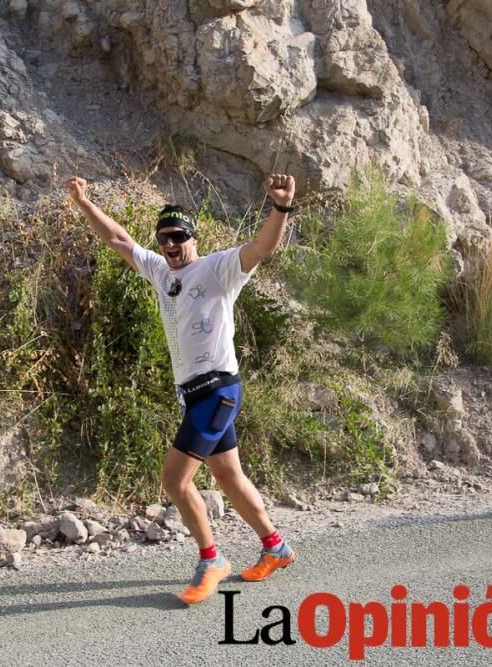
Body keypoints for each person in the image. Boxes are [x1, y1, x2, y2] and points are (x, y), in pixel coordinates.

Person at [66, 174, 298, 604]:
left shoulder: (217, 269)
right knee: (228, 477)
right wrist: (84, 203)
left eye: (178, 236)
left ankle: (211, 559)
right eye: (164, 239)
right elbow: (118, 239)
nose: (170, 245)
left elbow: (262, 248)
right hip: (194, 394)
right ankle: (276, 547)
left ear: (192, 236)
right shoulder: (159, 271)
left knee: (174, 479)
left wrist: (280, 207)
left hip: (218, 390)